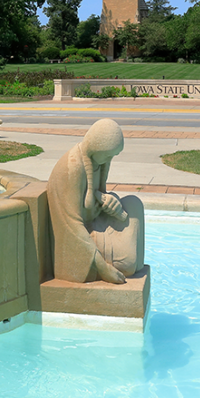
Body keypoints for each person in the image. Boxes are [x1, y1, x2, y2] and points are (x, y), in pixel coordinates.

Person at [46, 118, 144, 284]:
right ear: (96, 146)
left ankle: (127, 259)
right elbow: (71, 225)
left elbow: (94, 196)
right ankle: (118, 261)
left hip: (96, 219)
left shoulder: (98, 161)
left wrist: (111, 202)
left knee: (135, 204)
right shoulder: (74, 167)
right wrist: (103, 269)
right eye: (108, 154)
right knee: (129, 262)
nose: (110, 159)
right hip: (79, 239)